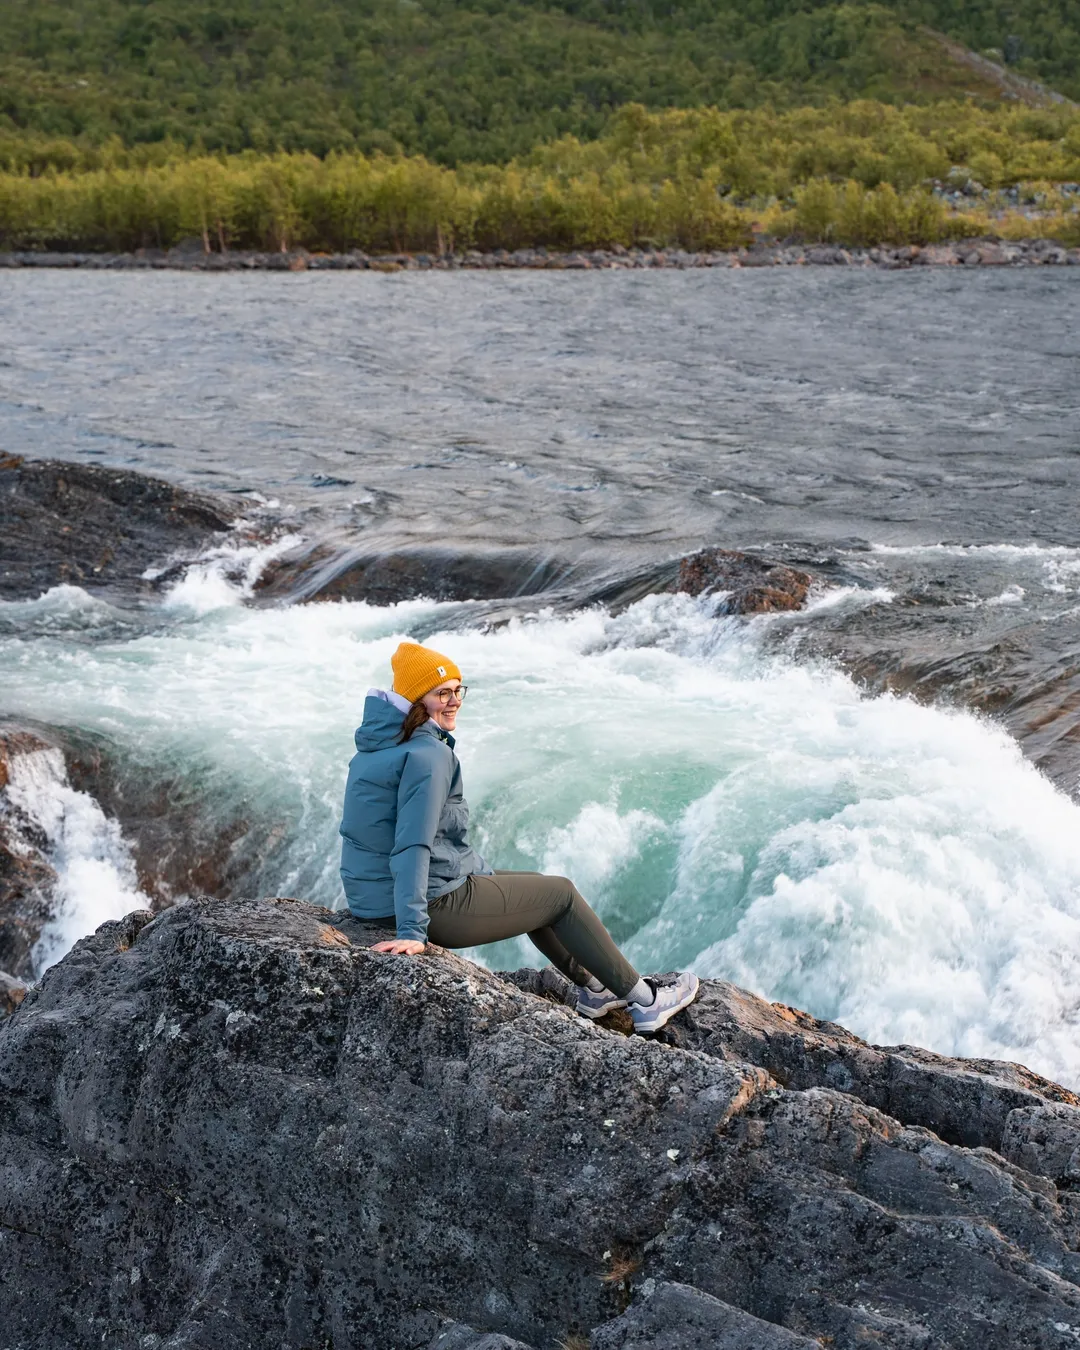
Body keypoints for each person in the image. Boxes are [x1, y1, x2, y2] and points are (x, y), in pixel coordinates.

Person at [339, 639, 699, 1033]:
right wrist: (411, 931)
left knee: (533, 889)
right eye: (442, 693)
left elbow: (370, 835)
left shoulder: (376, 749)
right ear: (415, 702)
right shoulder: (430, 756)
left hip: (375, 901)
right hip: (426, 907)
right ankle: (646, 1001)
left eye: (458, 691)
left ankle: (596, 988)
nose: (455, 701)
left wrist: (480, 872)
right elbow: (413, 843)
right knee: (560, 894)